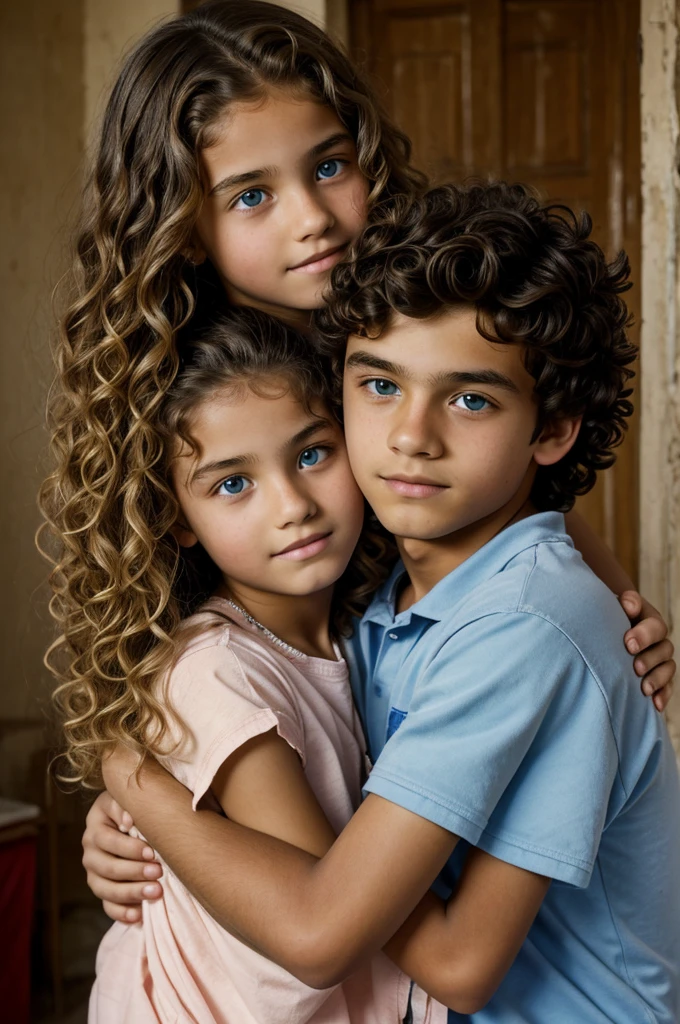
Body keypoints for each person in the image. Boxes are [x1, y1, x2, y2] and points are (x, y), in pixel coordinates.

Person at [43, 0, 668, 936]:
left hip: (406, 780)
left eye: (330, 166)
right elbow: (178, 685)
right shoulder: (186, 396)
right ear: (177, 223)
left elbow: (517, 497)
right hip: (298, 824)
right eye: (252, 195)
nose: (314, 221)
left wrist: (622, 617)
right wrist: (135, 791)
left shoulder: (419, 299)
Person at [99, 183, 680, 1023]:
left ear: (551, 430)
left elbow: (437, 958)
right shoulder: (383, 597)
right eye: (378, 387)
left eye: (470, 398)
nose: (411, 435)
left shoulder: (522, 626)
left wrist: (137, 779)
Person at [85, 306, 446, 1021]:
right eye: (232, 485)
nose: (292, 507)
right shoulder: (218, 672)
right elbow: (336, 913)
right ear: (179, 519)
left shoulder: (356, 632)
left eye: (312, 455)